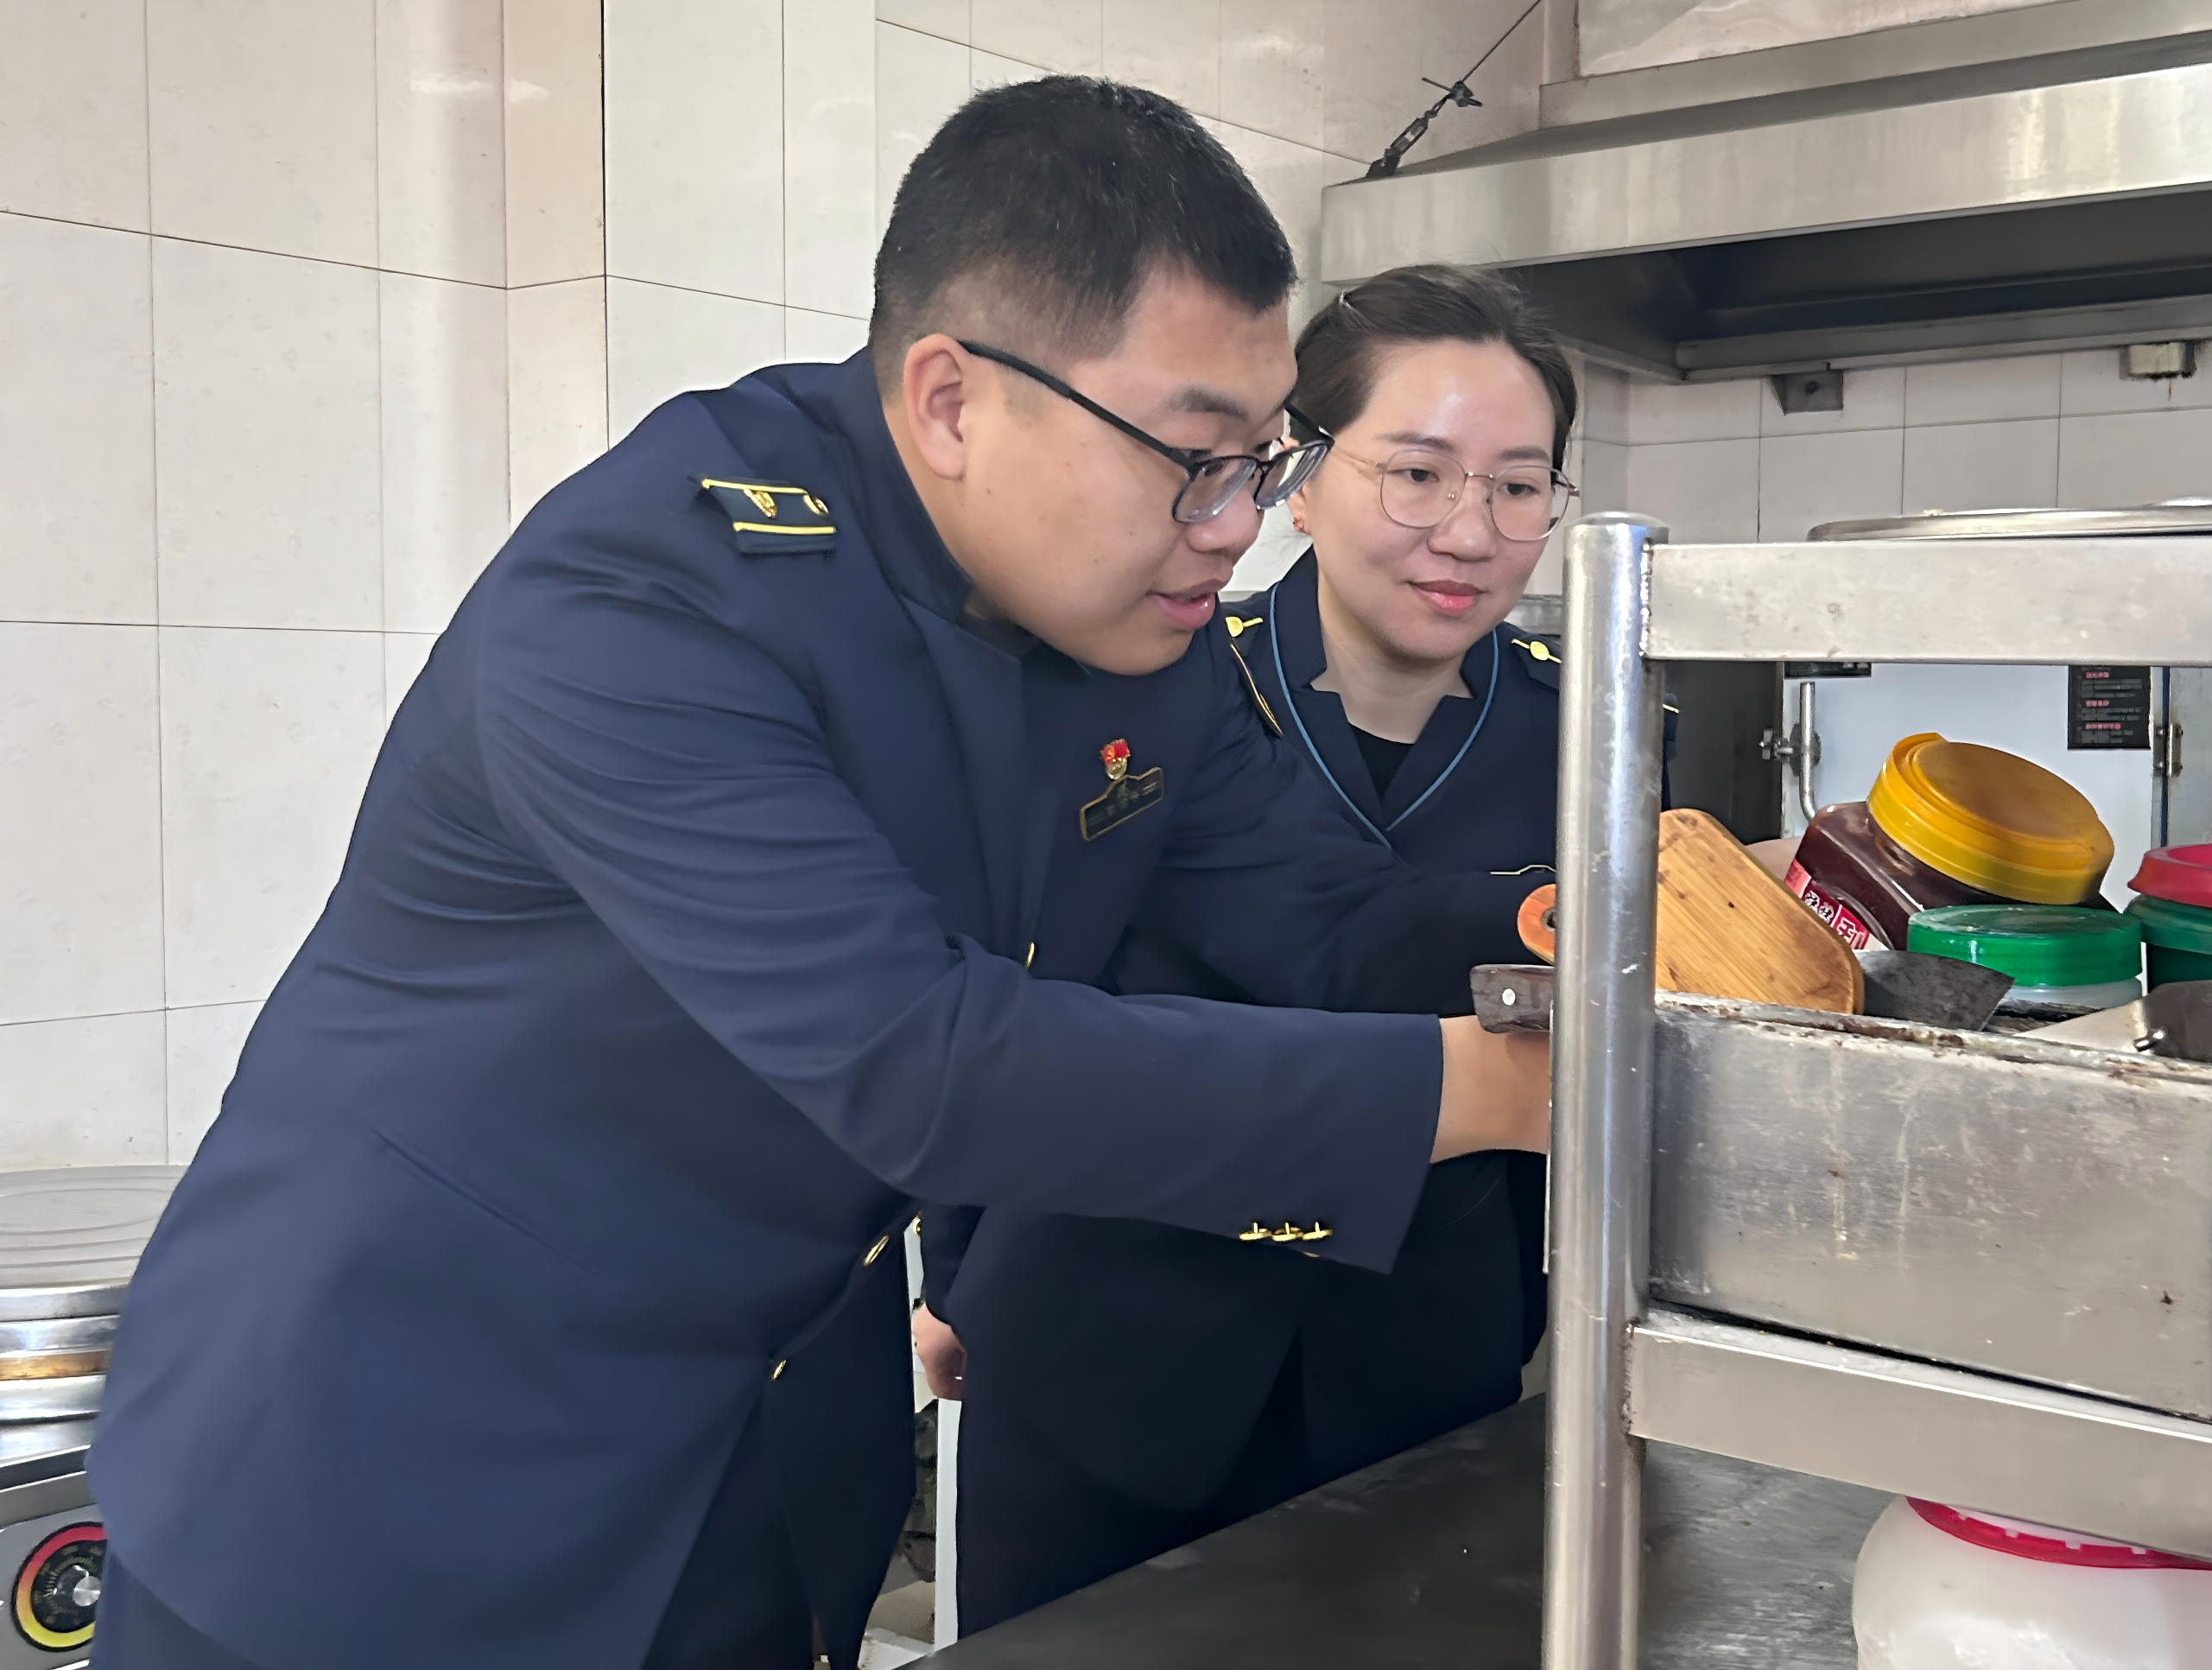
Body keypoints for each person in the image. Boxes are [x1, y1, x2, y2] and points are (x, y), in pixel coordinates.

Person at [86, 81, 1552, 1670]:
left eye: (1264, 462)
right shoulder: (646, 601)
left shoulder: (1132, 627)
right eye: (1196, 460)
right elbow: (921, 1060)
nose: (1238, 526)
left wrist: (1602, 934)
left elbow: (1321, 915)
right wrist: (1491, 1090)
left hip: (760, 1457)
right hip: (395, 1459)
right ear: (952, 400)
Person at [916, 264, 1590, 1632]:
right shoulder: (1148, 681)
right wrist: (961, 1263)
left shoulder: (1587, 734)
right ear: (1302, 474)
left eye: (1519, 487)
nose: (1469, 532)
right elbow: (1005, 965)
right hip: (1111, 1316)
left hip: (1422, 1352)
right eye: (1417, 474)